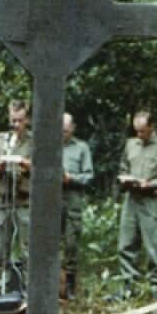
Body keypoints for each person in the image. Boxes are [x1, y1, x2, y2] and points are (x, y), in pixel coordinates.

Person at [117, 110, 157, 294]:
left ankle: (156, 285)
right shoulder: (131, 145)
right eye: (137, 131)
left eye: (143, 131)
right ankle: (128, 284)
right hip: (132, 198)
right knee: (126, 242)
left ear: (152, 127)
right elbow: (123, 167)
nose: (140, 135)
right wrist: (126, 179)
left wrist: (152, 183)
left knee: (154, 244)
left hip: (152, 199)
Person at [0, 100, 33, 292]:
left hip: (24, 202)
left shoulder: (34, 141)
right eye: (13, 120)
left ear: (27, 119)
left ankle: (30, 290)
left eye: (20, 120)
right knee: (0, 249)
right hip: (2, 201)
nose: (16, 125)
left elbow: (47, 173)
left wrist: (27, 165)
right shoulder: (0, 140)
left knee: (27, 249)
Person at [60, 113, 94, 299]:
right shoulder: (49, 146)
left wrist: (71, 178)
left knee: (71, 243)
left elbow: (89, 176)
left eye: (65, 130)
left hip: (72, 200)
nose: (62, 134)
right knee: (50, 243)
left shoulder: (82, 148)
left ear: (72, 128)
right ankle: (52, 283)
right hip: (51, 201)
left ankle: (70, 285)